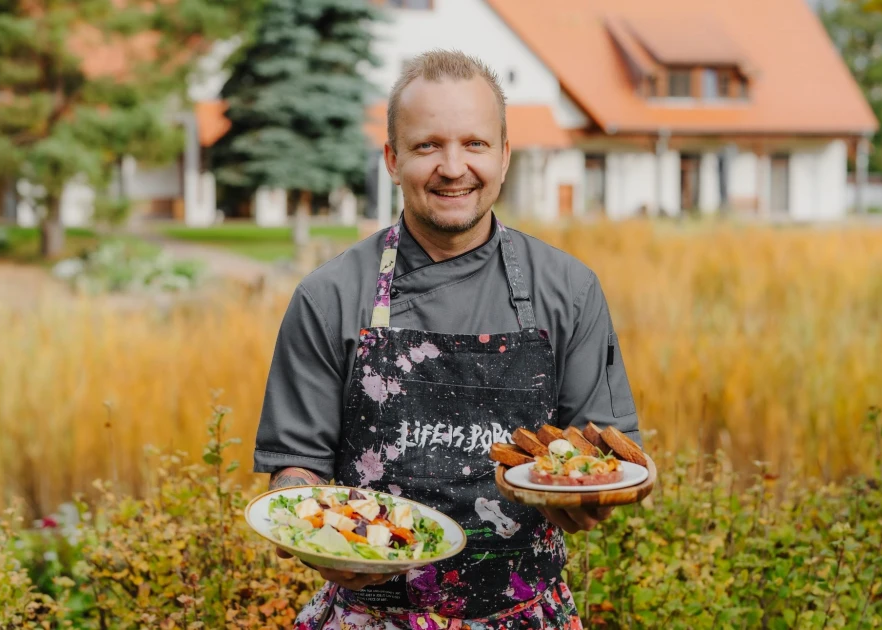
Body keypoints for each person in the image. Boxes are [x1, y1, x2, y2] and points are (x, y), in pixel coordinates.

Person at [253, 49, 641, 629]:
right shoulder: (328, 295)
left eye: (475, 144)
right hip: (368, 614)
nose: (453, 167)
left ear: (505, 157)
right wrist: (312, 530)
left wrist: (589, 500)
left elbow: (608, 455)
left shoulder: (569, 290)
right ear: (392, 157)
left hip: (526, 615)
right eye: (428, 145)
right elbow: (293, 470)